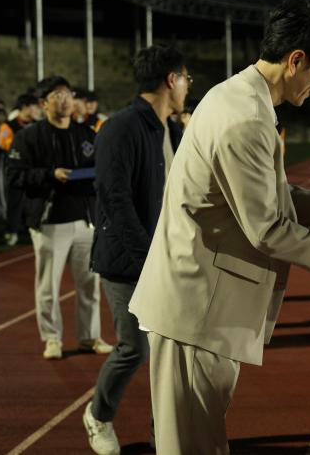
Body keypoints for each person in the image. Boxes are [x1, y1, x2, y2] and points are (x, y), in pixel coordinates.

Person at [128, 0, 310, 454]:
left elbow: (259, 193)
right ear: (296, 60)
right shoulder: (247, 119)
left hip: (199, 303)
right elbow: (267, 228)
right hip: (197, 308)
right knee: (193, 446)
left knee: (198, 440)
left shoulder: (235, 96)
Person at [82, 45, 189, 454]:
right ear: (171, 80)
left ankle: (164, 435)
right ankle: (98, 415)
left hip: (168, 261)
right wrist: (149, 260)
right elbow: (115, 199)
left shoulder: (173, 131)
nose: (188, 87)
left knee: (170, 355)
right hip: (129, 262)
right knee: (134, 348)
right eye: (186, 79)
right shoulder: (121, 128)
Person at [7, 76, 112, 360]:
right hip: (50, 221)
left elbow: (100, 170)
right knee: (48, 286)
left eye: (68, 94)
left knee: (90, 284)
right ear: (44, 103)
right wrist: (49, 175)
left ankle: (90, 336)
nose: (65, 99)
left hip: (85, 220)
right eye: (57, 95)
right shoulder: (28, 137)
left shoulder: (86, 133)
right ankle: (52, 338)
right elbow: (14, 175)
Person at [0, 94, 38, 246]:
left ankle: (30, 229)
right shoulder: (8, 125)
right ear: (25, 107)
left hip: (32, 168)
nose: (37, 110)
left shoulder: (37, 125)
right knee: (14, 200)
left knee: (32, 200)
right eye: (34, 106)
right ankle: (12, 231)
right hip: (15, 169)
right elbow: (5, 144)